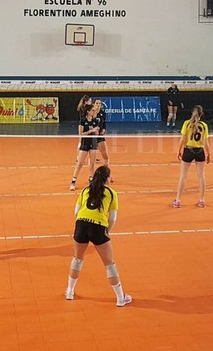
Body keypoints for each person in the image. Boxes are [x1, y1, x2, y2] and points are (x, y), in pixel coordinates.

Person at [65, 166, 132, 307]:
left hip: (81, 224)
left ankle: (70, 291)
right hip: (98, 227)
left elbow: (76, 212)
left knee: (77, 259)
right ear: (107, 178)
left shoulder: (85, 190)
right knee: (109, 264)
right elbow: (113, 218)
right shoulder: (111, 193)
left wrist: (82, 225)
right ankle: (120, 298)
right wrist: (106, 231)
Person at [172, 105, 210, 208]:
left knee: (183, 176)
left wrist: (179, 150)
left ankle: (178, 200)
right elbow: (206, 142)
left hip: (188, 150)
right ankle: (202, 200)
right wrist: (208, 154)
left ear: (192, 112)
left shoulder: (187, 123)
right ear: (201, 114)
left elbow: (183, 139)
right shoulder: (204, 125)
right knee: (201, 176)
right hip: (200, 151)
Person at [70, 104, 100, 191]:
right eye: (93, 110)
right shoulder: (82, 121)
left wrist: (97, 131)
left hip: (93, 143)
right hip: (85, 143)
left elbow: (97, 134)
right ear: (88, 111)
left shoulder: (95, 121)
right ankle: (73, 181)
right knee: (80, 163)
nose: (94, 112)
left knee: (92, 163)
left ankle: (91, 180)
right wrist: (91, 131)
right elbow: (81, 134)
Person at [93, 98, 111, 169]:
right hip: (92, 137)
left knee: (106, 157)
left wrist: (103, 129)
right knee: (92, 159)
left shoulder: (102, 113)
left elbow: (104, 122)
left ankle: (106, 173)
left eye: (99, 103)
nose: (98, 105)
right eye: (96, 103)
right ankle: (92, 174)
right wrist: (94, 130)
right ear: (94, 104)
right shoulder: (91, 113)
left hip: (100, 136)